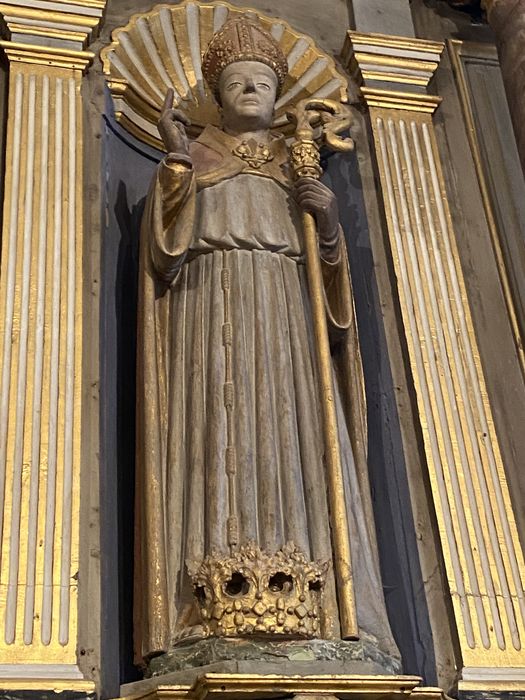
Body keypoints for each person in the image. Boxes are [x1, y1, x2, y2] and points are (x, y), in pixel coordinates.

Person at [134, 15, 398, 664]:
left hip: (285, 324)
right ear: (216, 94)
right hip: (209, 315)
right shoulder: (194, 159)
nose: (249, 89)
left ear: (279, 93)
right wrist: (175, 163)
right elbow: (163, 253)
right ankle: (204, 610)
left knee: (292, 440)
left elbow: (330, 287)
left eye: (261, 81)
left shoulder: (295, 167)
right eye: (236, 82)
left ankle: (320, 606)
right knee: (216, 440)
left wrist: (326, 220)